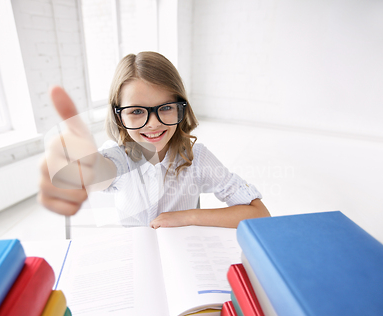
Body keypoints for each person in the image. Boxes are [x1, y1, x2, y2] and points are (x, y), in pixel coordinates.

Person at [39, 51, 270, 228]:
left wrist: (188, 217)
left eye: (166, 107)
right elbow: (101, 170)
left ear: (182, 107)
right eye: (137, 111)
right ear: (119, 116)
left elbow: (259, 213)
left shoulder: (197, 158)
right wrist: (80, 170)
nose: (153, 123)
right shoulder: (119, 157)